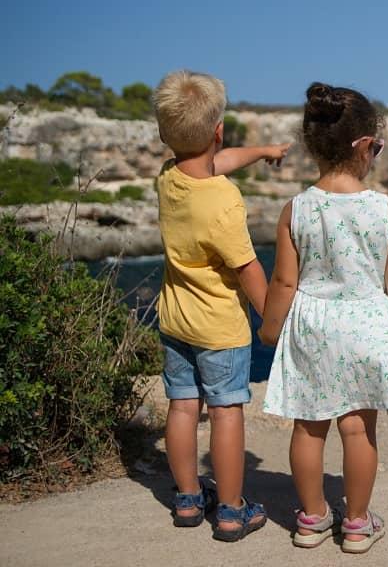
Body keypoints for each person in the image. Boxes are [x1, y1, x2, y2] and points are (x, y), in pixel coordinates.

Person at [259, 82, 388, 553]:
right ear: (367, 146)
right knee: (358, 428)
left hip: (313, 324)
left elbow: (284, 282)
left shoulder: (297, 209)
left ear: (313, 146)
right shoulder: (383, 208)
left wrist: (269, 328)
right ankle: (357, 524)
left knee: (308, 426)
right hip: (366, 324)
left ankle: (311, 519)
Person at [152, 69, 289, 542]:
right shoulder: (223, 201)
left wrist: (263, 152)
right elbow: (249, 269)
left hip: (175, 322)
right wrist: (276, 323)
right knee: (227, 411)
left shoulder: (168, 178)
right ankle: (231, 510)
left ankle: (189, 499)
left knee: (183, 406)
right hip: (220, 331)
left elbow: (214, 161)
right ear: (218, 130)